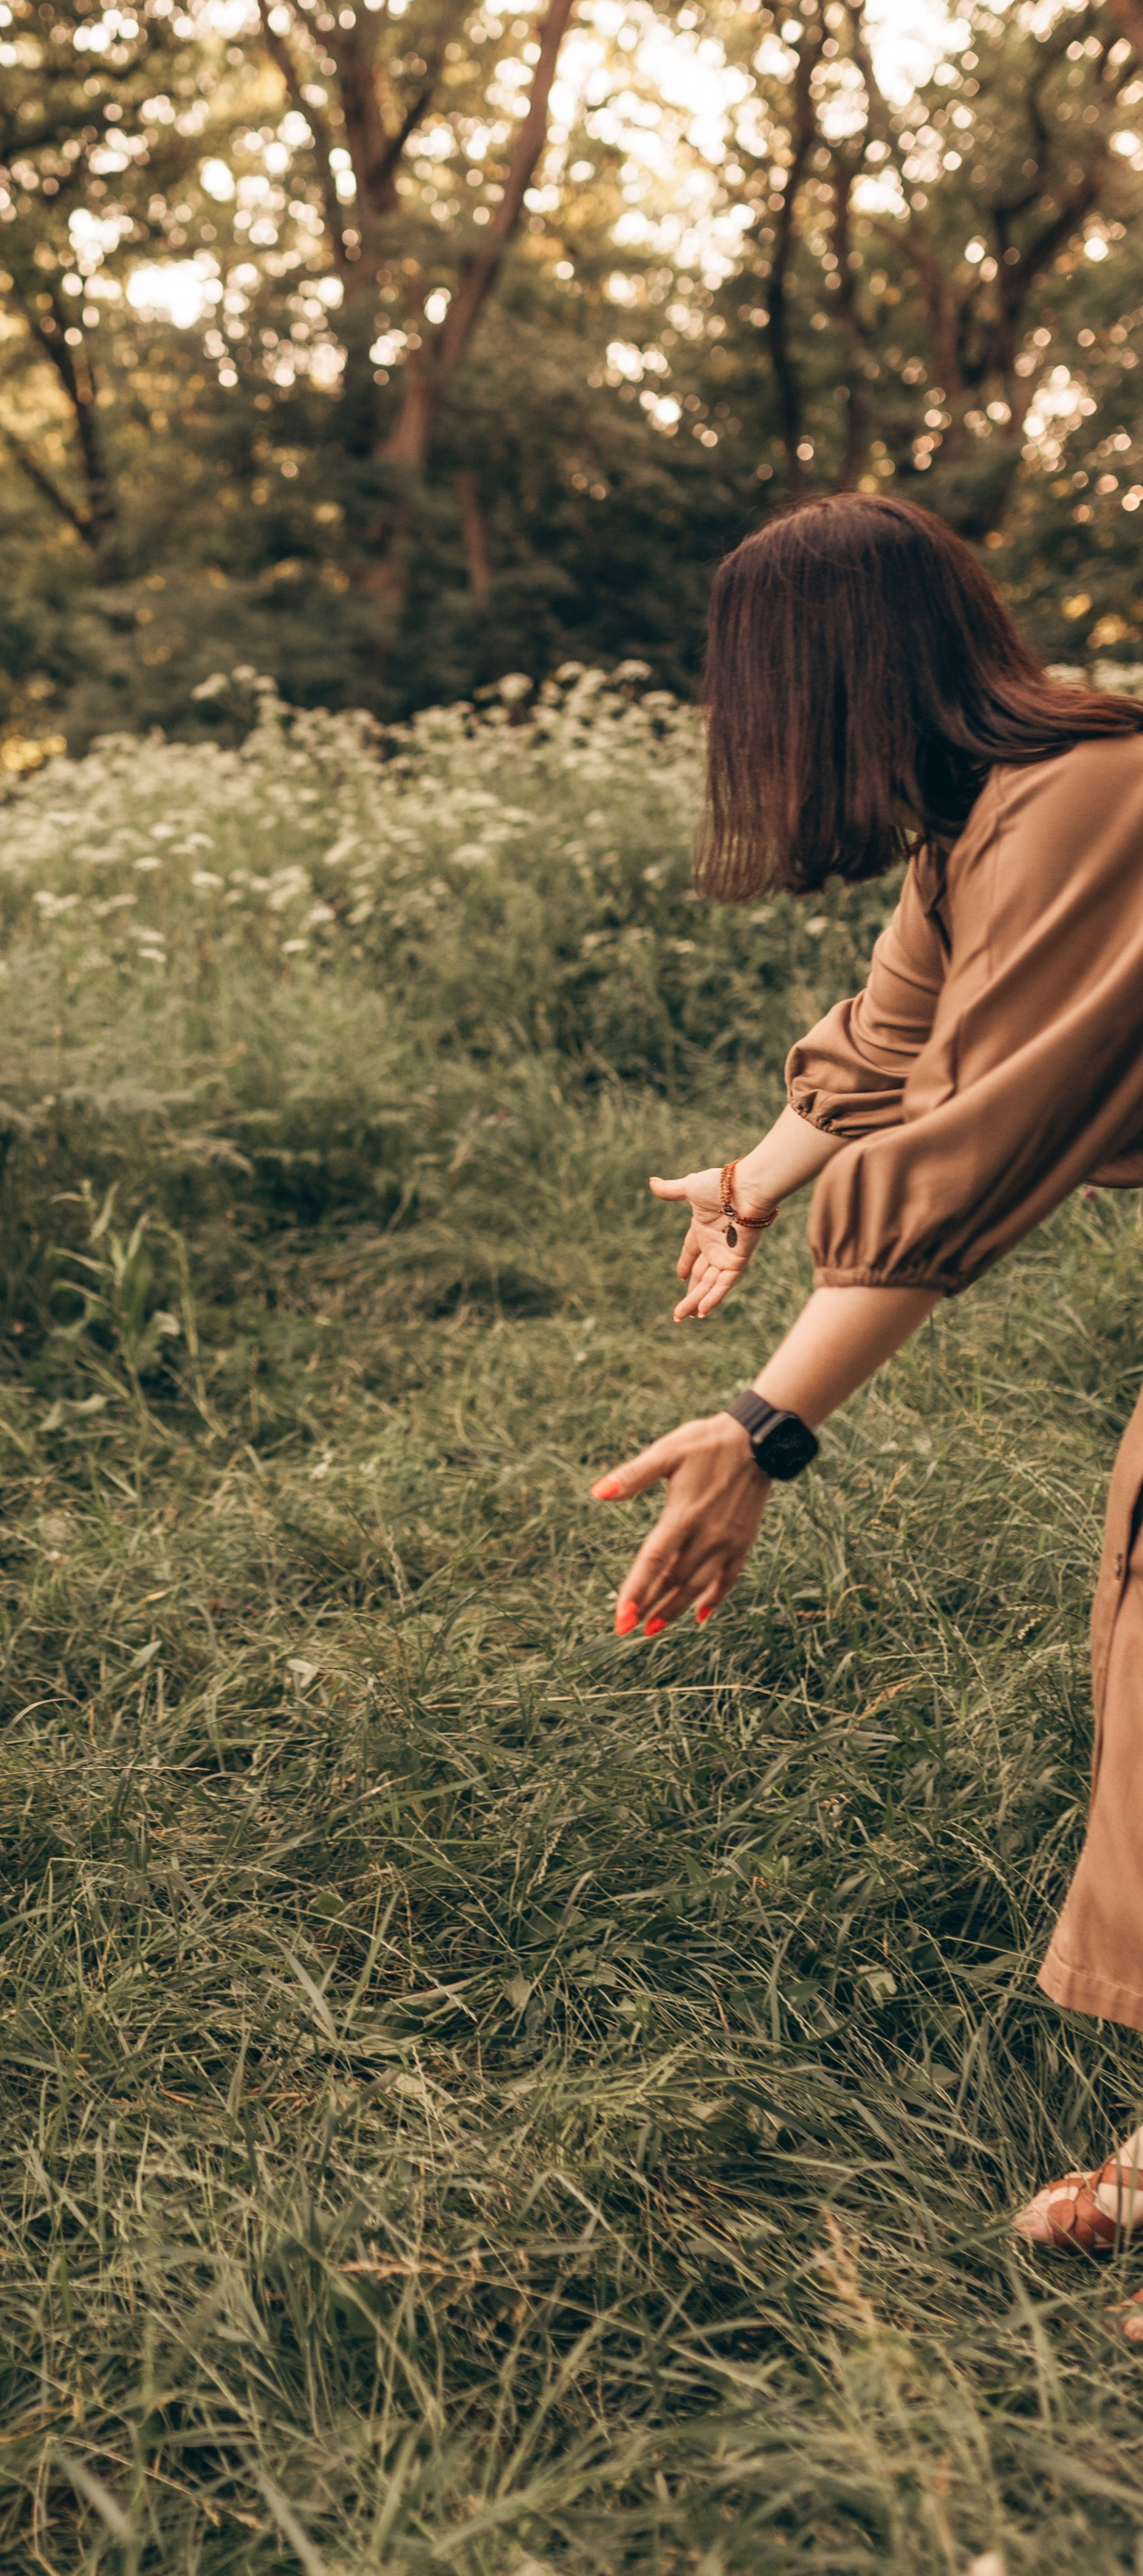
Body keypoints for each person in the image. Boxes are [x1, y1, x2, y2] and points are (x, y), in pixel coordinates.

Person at [592, 492, 1143, 2255]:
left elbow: (961, 1153)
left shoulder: (1087, 805)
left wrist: (760, 1428)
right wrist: (746, 1184)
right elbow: (884, 1054)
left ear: (823, 681)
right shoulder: (974, 823)